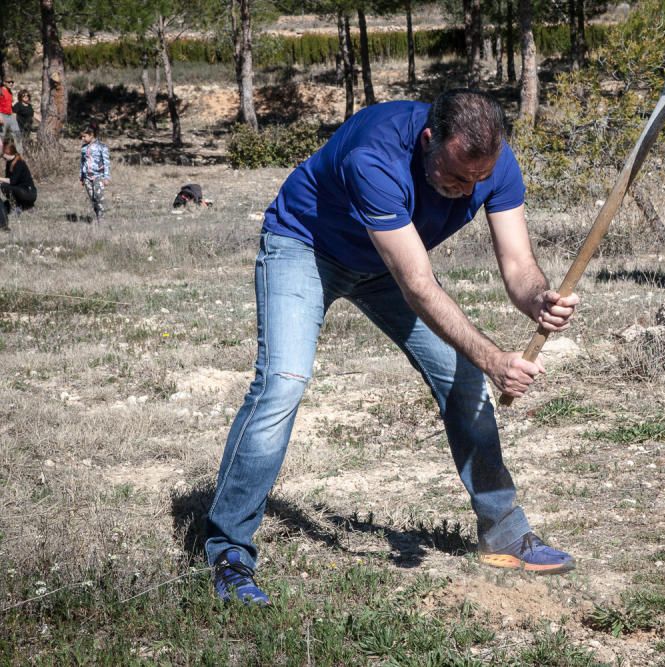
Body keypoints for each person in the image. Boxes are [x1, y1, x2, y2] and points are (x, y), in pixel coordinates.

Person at [206, 89, 581, 605]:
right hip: (307, 247)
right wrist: (493, 358)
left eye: (477, 179)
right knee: (282, 386)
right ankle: (228, 549)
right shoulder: (374, 155)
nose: (464, 189)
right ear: (430, 140)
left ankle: (505, 532)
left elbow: (518, 266)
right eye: (454, 176)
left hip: (387, 264)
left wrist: (538, 299)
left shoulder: (492, 161)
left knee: (462, 380)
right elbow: (418, 284)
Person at [0, 138, 36, 231]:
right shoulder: (9, 163)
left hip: (28, 193)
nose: (2, 156)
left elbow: (12, 181)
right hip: (19, 190)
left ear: (8, 152)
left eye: (3, 153)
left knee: (4, 186)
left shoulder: (19, 162)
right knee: (5, 203)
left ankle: (21, 206)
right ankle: (19, 205)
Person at [80, 124, 110, 223]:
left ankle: (101, 218)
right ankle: (97, 216)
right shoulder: (84, 148)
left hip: (99, 176)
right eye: (82, 136)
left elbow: (106, 162)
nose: (82, 138)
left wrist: (106, 177)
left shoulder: (102, 147)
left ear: (91, 135)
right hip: (87, 177)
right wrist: (82, 176)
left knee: (98, 197)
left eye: (84, 136)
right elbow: (82, 162)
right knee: (93, 198)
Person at [0, 76, 22, 154]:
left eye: (12, 82)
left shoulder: (10, 92)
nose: (11, 83)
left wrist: (13, 114)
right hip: (2, 116)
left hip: (10, 116)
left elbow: (10, 104)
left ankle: (20, 153)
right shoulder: (1, 91)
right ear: (4, 82)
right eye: (9, 82)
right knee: (1, 136)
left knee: (17, 134)